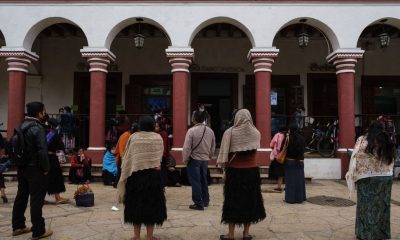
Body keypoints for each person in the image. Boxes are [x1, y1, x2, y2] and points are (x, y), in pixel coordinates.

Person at [217, 109, 266, 240]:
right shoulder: (256, 133)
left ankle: (231, 234)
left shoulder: (230, 133)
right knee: (250, 201)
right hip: (251, 172)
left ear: (237, 117)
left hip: (235, 172)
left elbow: (225, 154)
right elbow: (254, 152)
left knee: (232, 201)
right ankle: (246, 233)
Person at [117, 116, 166, 240]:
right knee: (152, 206)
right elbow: (159, 156)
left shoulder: (134, 137)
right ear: (152, 125)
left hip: (136, 177)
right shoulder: (158, 137)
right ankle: (150, 237)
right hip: (153, 177)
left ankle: (136, 236)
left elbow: (127, 157)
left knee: (135, 206)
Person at [346, 121, 395, 240]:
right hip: (385, 178)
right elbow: (392, 157)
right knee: (382, 206)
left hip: (366, 178)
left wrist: (352, 173)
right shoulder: (387, 139)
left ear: (369, 129)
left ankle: (365, 234)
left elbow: (355, 156)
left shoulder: (363, 139)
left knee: (365, 206)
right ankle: (382, 233)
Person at [12, 101, 53, 239]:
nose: (44, 114)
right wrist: (46, 168)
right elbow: (42, 150)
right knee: (36, 199)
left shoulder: (21, 125)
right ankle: (39, 230)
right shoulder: (37, 127)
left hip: (22, 167)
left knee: (21, 196)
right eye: (43, 111)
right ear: (39, 113)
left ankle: (18, 226)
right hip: (35, 168)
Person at [182, 110, 216, 210]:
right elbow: (213, 146)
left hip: (194, 159)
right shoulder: (210, 131)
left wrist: (185, 159)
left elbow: (187, 147)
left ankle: (198, 203)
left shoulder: (191, 131)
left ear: (195, 119)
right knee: (204, 180)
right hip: (204, 159)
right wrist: (209, 156)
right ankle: (205, 201)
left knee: (196, 181)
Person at [45, 118, 69, 204]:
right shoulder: (55, 135)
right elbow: (61, 146)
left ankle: (42, 197)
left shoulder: (45, 133)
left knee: (46, 177)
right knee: (56, 176)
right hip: (52, 157)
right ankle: (57, 197)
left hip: (44, 157)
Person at [284, 123, 306, 204]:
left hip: (290, 162)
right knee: (299, 181)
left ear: (291, 130)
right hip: (300, 162)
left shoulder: (288, 138)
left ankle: (290, 199)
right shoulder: (302, 139)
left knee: (290, 181)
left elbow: (284, 150)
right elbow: (303, 150)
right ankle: (300, 198)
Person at [269, 126, 288, 192]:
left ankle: (279, 187)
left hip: (278, 156)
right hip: (286, 156)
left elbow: (271, 145)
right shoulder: (288, 136)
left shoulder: (277, 135)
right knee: (285, 172)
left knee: (280, 172)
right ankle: (287, 187)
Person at [155, 122, 169, 186]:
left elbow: (164, 145)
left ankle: (162, 183)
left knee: (162, 170)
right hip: (158, 155)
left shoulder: (163, 134)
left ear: (160, 127)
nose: (155, 128)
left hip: (162, 155)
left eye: (157, 126)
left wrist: (163, 154)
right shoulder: (157, 134)